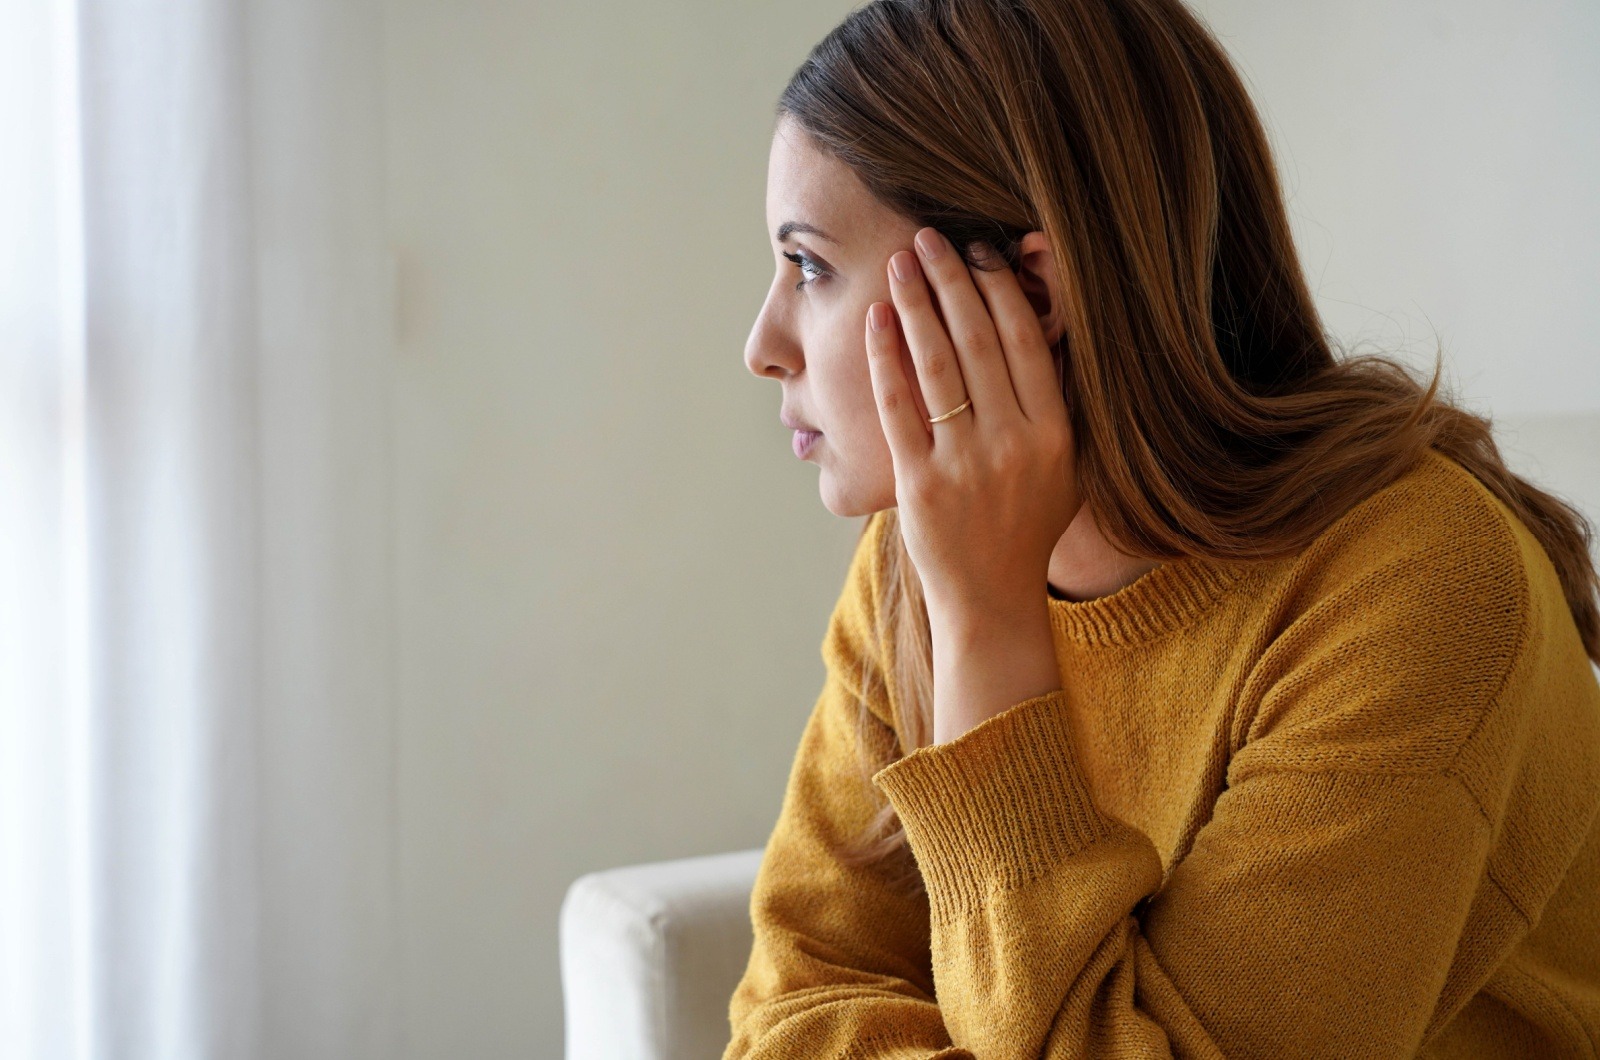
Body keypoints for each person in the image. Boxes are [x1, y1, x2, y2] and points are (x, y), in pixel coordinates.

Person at [732, 0, 1600, 1056]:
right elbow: (787, 1010)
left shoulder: (1415, 587)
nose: (762, 343)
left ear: (1030, 292)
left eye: (810, 266)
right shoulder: (920, 556)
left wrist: (987, 628)